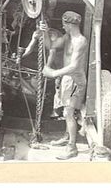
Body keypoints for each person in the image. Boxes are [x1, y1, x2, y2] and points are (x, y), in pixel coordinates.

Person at [42, 11, 88, 160]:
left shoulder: (80, 41)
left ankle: (72, 147)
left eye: (64, 24)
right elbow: (51, 46)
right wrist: (44, 33)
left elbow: (74, 66)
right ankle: (67, 137)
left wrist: (54, 73)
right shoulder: (67, 37)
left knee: (69, 113)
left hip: (76, 80)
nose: (62, 26)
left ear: (70, 25)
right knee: (65, 113)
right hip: (67, 79)